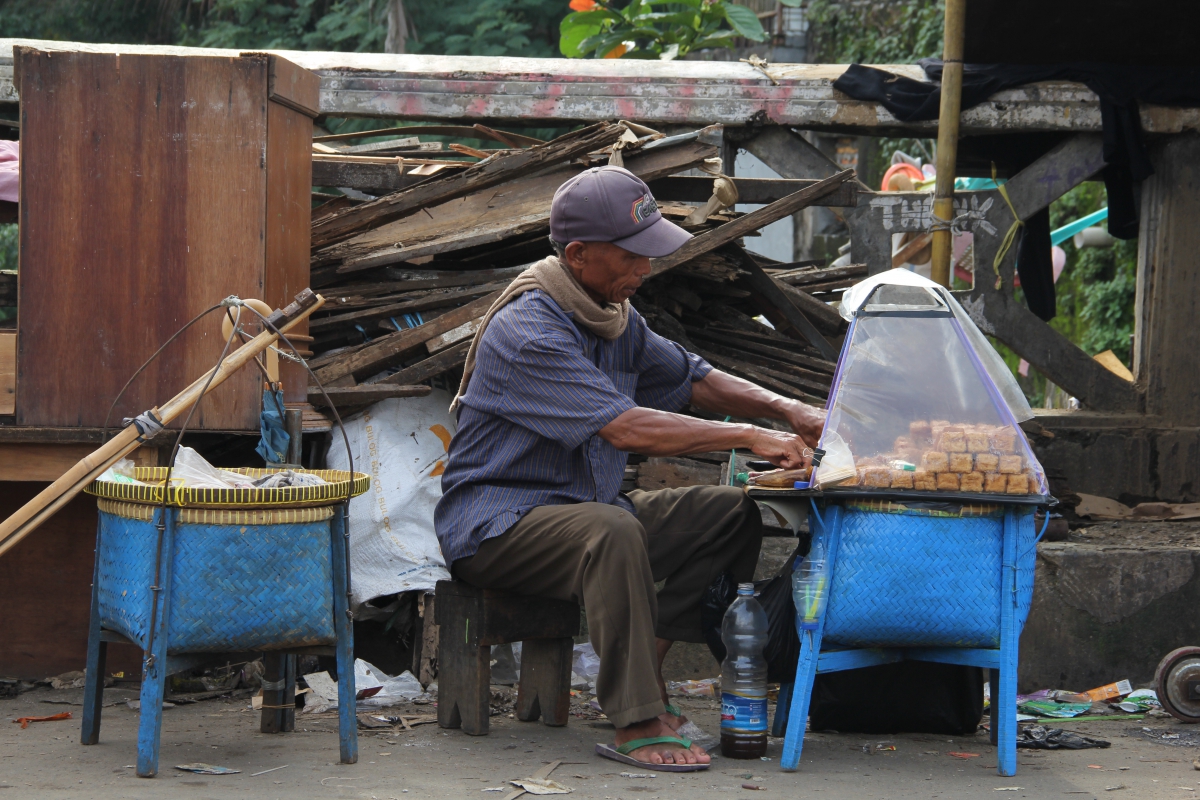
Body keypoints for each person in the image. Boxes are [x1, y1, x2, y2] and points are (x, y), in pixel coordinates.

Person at [434, 165, 824, 769]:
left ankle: (650, 679)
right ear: (579, 254)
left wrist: (789, 409)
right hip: (498, 525)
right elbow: (626, 427)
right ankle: (636, 721)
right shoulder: (529, 331)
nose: (645, 269)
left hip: (588, 505)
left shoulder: (615, 318)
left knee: (731, 512)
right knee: (611, 531)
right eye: (632, 257)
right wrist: (753, 436)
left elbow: (693, 379)